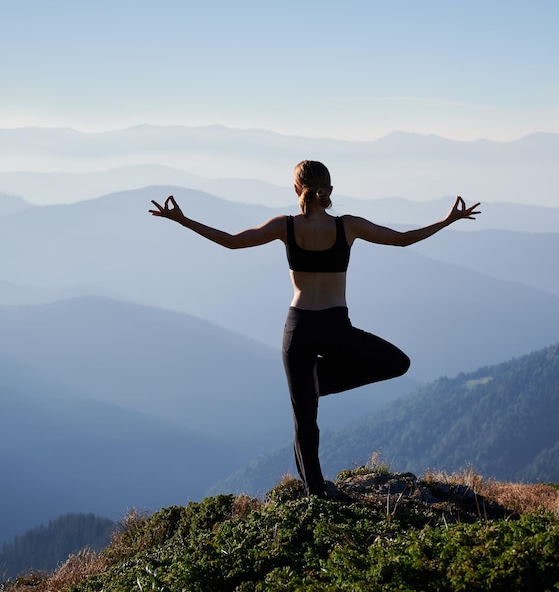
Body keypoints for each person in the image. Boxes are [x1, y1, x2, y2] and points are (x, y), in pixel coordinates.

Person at [150, 160, 480, 498]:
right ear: (330, 190)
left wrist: (182, 219)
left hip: (299, 328)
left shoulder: (286, 226)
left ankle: (315, 489)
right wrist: (448, 220)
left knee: (305, 420)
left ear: (296, 190)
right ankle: (315, 401)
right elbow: (402, 240)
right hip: (336, 327)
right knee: (396, 362)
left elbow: (233, 242)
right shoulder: (347, 226)